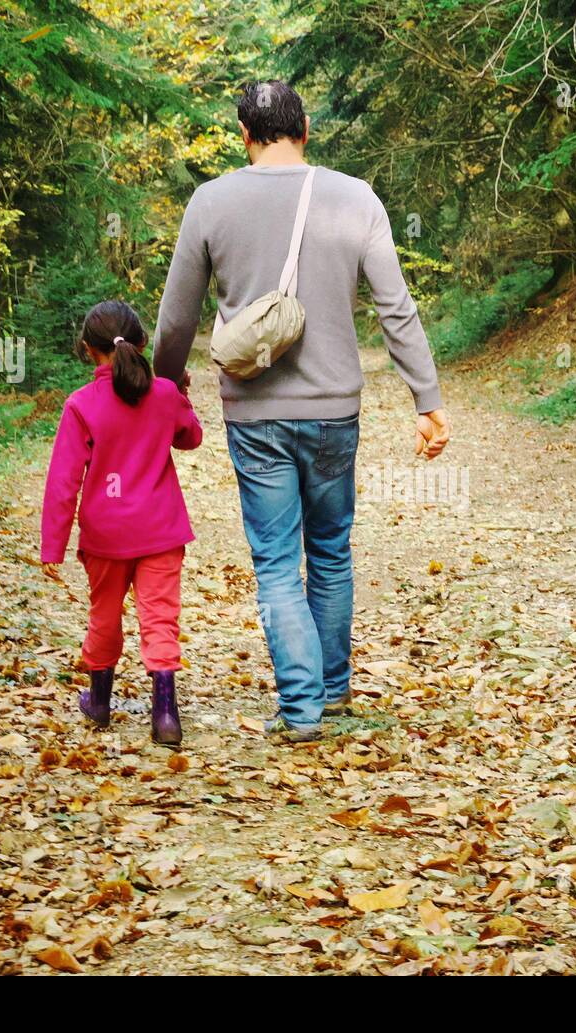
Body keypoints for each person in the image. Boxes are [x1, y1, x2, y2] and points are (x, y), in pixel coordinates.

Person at [153, 79, 450, 743]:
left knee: (278, 564)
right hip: (334, 409)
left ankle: (303, 709)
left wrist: (167, 389)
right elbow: (395, 307)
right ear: (306, 128)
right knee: (331, 550)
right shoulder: (355, 197)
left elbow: (177, 318)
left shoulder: (210, 202)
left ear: (244, 135)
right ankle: (334, 689)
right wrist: (425, 399)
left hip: (255, 416)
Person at [40, 300, 203, 748]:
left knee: (104, 617)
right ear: (142, 343)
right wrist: (181, 395)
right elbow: (191, 437)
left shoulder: (80, 405)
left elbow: (62, 483)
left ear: (89, 351)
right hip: (161, 530)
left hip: (106, 536)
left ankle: (99, 702)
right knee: (160, 619)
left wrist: (52, 546)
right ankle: (166, 716)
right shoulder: (165, 394)